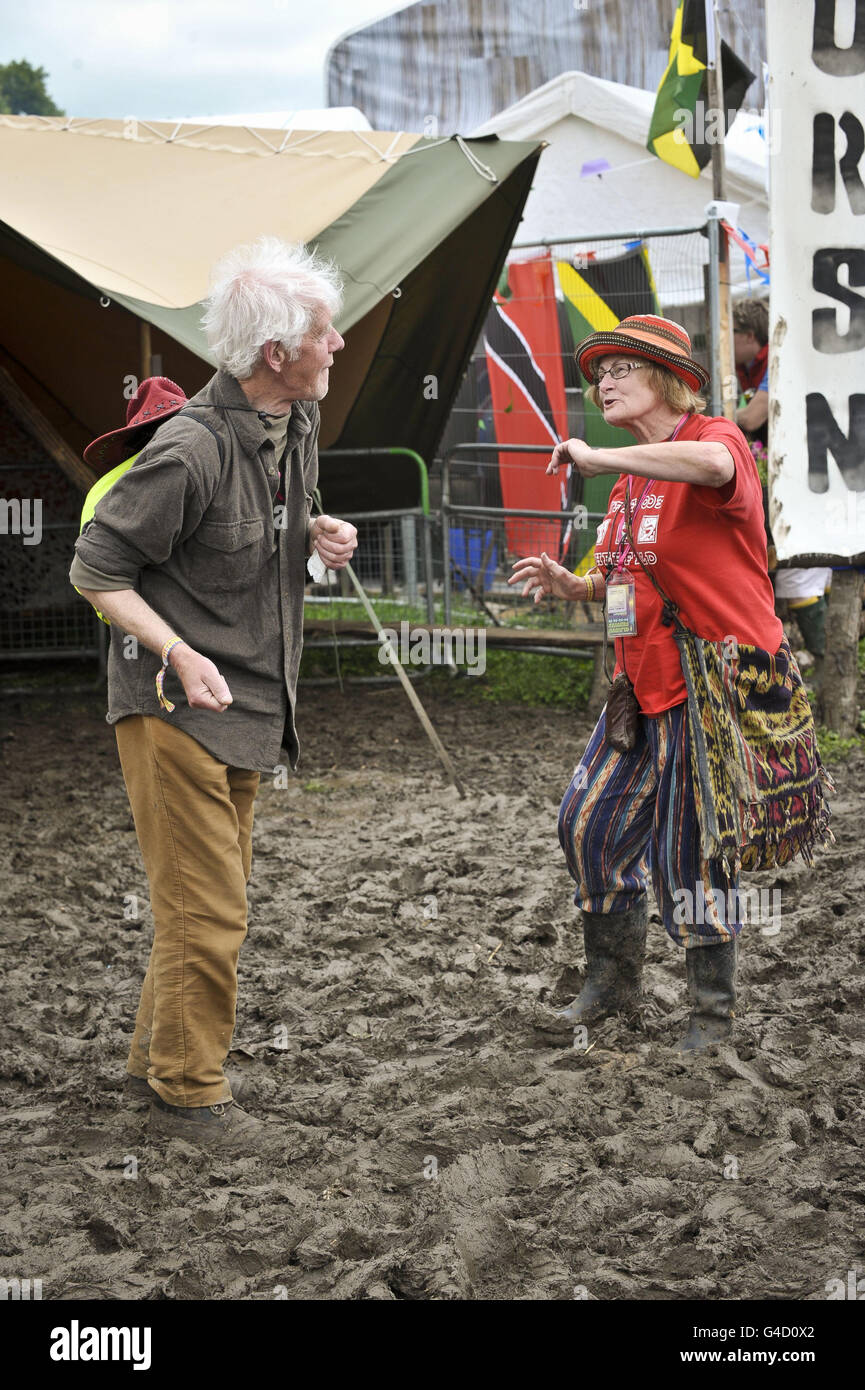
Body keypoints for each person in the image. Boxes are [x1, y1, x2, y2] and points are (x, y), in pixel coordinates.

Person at [69, 237, 357, 1150]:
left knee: (201, 896)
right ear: (277, 354)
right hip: (172, 704)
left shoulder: (294, 423)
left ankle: (155, 1062)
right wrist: (177, 651)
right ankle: (192, 1096)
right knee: (211, 905)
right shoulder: (187, 449)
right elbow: (95, 569)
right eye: (323, 331)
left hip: (251, 702)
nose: (338, 343)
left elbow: (268, 533)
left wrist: (316, 536)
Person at [509, 315, 831, 1051]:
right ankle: (611, 987)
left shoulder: (714, 442)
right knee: (585, 826)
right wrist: (577, 585)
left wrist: (595, 454)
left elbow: (717, 473)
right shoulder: (628, 483)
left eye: (621, 367)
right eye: (598, 373)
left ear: (667, 378)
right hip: (639, 687)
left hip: (713, 688)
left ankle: (708, 1018)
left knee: (690, 850)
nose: (604, 382)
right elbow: (624, 583)